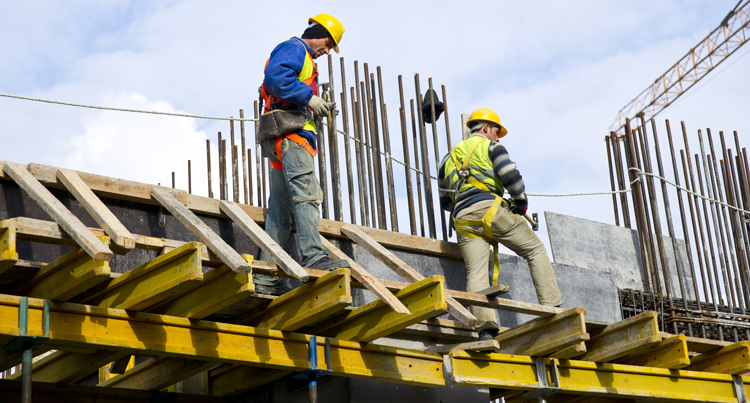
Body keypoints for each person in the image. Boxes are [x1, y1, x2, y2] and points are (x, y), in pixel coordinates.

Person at [437, 108, 562, 340]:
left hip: (463, 219)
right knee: (535, 250)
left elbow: (445, 202)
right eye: (496, 132)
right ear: (485, 128)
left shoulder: (447, 158)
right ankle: (553, 308)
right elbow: (511, 177)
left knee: (476, 273)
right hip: (491, 211)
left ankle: (485, 329)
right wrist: (521, 204)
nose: (498, 137)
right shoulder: (491, 147)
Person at [255, 14, 349, 293]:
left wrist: (315, 104)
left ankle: (264, 276)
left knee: (280, 213)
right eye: (328, 43)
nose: (327, 50)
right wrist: (309, 98)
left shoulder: (305, 59)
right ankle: (315, 256)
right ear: (317, 33)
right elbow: (276, 77)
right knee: (308, 195)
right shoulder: (296, 48)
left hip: (283, 139)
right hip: (292, 138)